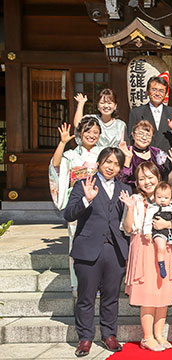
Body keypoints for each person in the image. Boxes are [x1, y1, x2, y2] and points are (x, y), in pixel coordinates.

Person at [63, 147, 129, 357]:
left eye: (116, 164)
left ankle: (109, 335)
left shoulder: (124, 189)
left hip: (115, 249)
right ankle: (85, 338)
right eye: (108, 162)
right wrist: (87, 199)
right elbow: (69, 214)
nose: (111, 167)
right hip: (89, 248)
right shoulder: (83, 185)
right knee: (86, 296)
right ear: (99, 162)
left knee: (111, 296)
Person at [121, 161, 172, 352]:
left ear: (158, 177)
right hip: (144, 247)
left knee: (163, 293)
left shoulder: (170, 198)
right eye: (142, 178)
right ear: (137, 182)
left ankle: (159, 334)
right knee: (148, 294)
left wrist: (167, 226)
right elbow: (128, 228)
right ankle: (147, 337)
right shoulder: (135, 199)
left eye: (150, 177)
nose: (147, 182)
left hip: (165, 249)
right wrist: (130, 208)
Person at [49, 117, 102, 296]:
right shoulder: (71, 155)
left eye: (95, 132)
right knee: (76, 242)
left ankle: (97, 283)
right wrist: (63, 143)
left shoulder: (103, 153)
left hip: (98, 202)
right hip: (77, 202)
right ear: (80, 133)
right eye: (88, 131)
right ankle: (76, 283)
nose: (91, 135)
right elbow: (56, 167)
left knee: (98, 243)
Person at [127, 76, 172, 152]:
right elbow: (131, 137)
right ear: (147, 92)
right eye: (154, 90)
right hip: (145, 157)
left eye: (161, 91)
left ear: (165, 94)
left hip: (167, 158)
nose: (157, 94)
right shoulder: (136, 113)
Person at [143, 182, 172, 279]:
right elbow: (147, 220)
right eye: (159, 197)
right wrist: (147, 232)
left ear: (171, 198)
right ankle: (162, 266)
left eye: (166, 198)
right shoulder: (153, 207)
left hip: (171, 231)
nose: (162, 200)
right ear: (155, 197)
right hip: (159, 232)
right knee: (161, 247)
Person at [118, 120, 169, 187]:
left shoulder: (157, 152)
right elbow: (120, 180)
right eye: (140, 134)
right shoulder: (125, 151)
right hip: (132, 192)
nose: (144, 138)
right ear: (133, 135)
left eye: (148, 135)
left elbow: (164, 176)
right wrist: (127, 159)